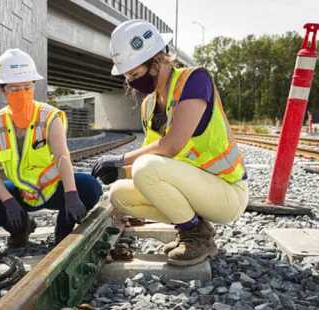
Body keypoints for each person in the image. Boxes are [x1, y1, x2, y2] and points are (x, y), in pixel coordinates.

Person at [91, 20, 249, 266]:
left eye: (135, 73)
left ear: (157, 59)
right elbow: (157, 158)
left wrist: (120, 160)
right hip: (194, 189)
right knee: (119, 194)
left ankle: (196, 236)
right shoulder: (149, 106)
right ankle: (195, 227)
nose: (132, 81)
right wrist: (117, 173)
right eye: (127, 76)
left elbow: (171, 145)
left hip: (226, 192)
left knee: (145, 168)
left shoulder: (195, 80)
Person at [0, 49, 103, 248]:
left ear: (34, 85)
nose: (23, 94)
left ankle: (63, 230)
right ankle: (21, 227)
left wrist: (70, 194)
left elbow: (62, 157)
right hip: (21, 192)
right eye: (15, 89)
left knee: (90, 187)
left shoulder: (49, 117)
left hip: (53, 188)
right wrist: (8, 202)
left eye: (28, 87)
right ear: (3, 89)